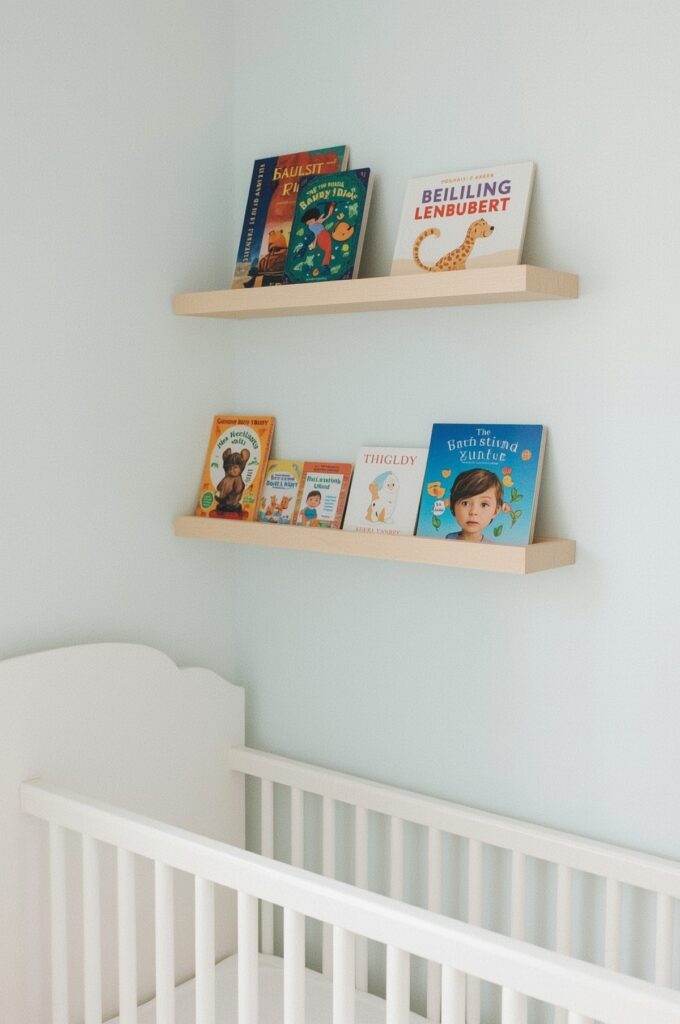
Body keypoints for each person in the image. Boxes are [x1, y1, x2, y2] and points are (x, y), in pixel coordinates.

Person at [445, 468, 503, 542]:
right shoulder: (447, 539)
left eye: (484, 505)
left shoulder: (491, 547)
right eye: (465, 503)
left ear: (496, 511)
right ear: (452, 506)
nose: (473, 512)